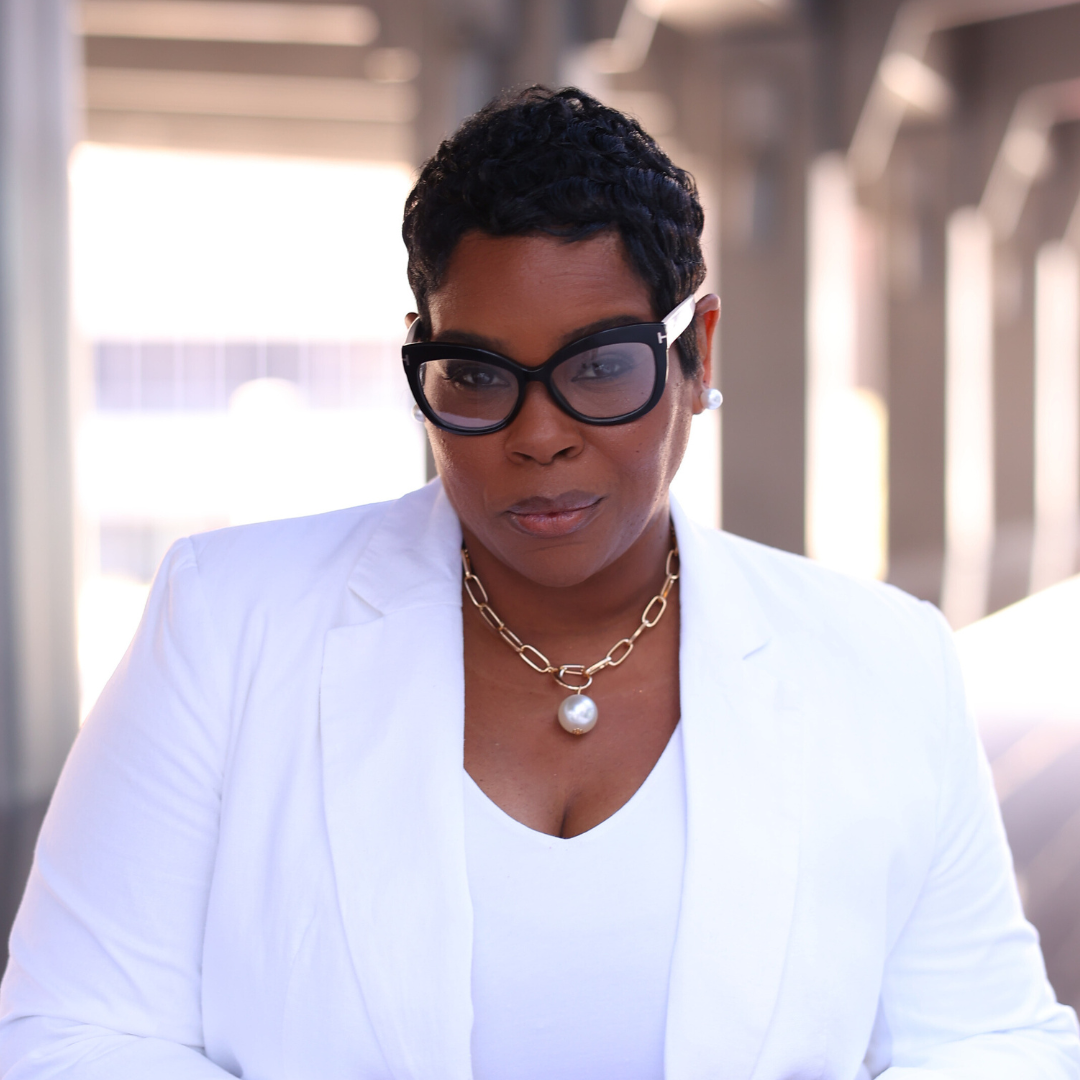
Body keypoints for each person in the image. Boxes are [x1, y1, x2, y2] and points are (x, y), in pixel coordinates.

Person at [0, 86, 1076, 1080]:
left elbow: (993, 1043)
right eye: (477, 375)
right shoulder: (226, 625)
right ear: (421, 361)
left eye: (600, 366)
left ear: (696, 355)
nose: (539, 435)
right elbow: (75, 1032)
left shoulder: (884, 664)